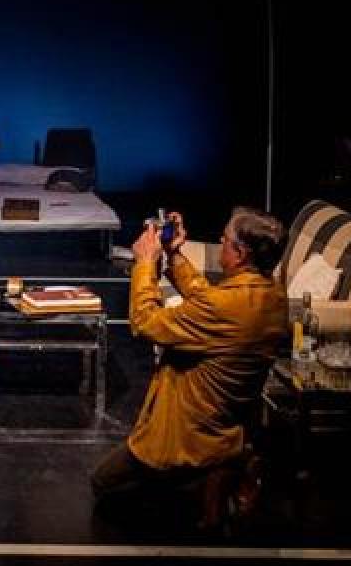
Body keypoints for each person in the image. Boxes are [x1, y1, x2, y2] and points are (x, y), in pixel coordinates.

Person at [91, 207, 288, 527]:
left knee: (104, 484)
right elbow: (207, 298)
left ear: (240, 253)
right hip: (224, 427)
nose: (220, 242)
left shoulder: (222, 307)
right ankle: (220, 469)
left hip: (186, 438)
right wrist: (174, 254)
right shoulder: (273, 295)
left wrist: (145, 263)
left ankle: (205, 482)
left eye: (225, 240)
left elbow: (145, 322)